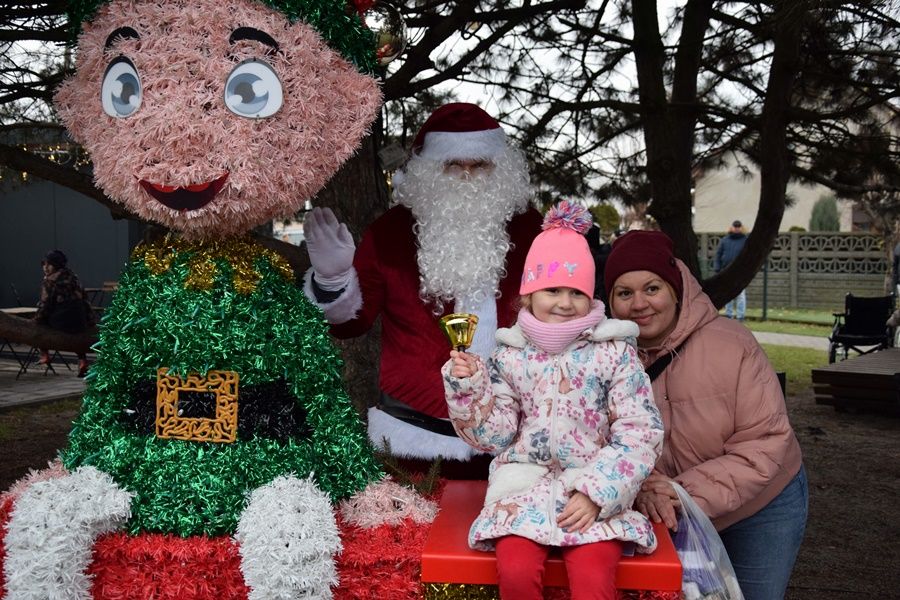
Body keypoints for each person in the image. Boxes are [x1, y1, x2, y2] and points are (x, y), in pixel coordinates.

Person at [303, 102, 542, 476]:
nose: (466, 176)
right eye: (452, 165)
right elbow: (352, 323)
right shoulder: (392, 232)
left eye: (479, 165)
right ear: (430, 169)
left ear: (500, 169)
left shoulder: (530, 230)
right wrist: (333, 282)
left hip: (517, 442)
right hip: (416, 439)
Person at [442, 202, 663, 600]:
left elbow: (639, 431)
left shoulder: (613, 353)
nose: (565, 302)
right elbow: (494, 436)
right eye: (552, 289)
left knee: (593, 581)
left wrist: (599, 492)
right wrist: (469, 388)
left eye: (577, 292)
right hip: (523, 490)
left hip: (591, 490)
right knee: (515, 571)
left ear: (592, 296)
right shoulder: (510, 355)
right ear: (528, 294)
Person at [603, 230, 807, 600]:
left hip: (760, 507)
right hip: (665, 507)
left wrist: (680, 491)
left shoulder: (732, 344)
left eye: (652, 288)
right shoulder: (598, 361)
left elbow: (765, 442)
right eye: (624, 292)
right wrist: (648, 488)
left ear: (676, 289)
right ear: (610, 301)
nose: (639, 303)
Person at [33, 250, 93, 377]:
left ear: (56, 265)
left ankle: (44, 353)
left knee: (39, 324)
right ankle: (83, 361)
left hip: (62, 322)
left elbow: (45, 304)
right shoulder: (73, 277)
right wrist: (90, 320)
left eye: (49, 264)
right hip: (79, 321)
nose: (45, 267)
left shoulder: (50, 280)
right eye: (44, 264)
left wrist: (37, 318)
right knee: (78, 336)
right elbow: (84, 299)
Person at [714, 220, 748, 321]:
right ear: (732, 227)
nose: (737, 228)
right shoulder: (725, 240)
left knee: (740, 295)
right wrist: (717, 268)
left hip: (740, 272)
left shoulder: (745, 240)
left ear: (741, 228)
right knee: (728, 294)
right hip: (726, 271)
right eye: (735, 226)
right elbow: (718, 255)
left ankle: (740, 316)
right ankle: (729, 315)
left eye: (738, 226)